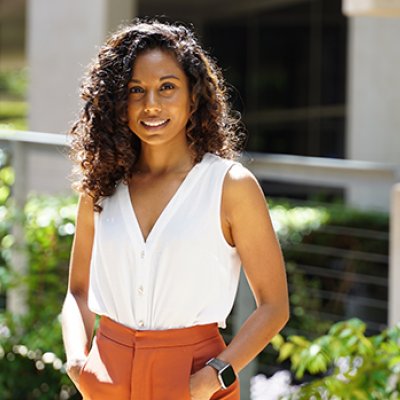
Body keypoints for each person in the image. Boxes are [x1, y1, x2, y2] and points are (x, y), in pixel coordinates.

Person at [61, 19, 289, 400]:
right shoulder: (101, 184)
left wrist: (214, 376)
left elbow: (274, 306)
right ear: (118, 101)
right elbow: (78, 292)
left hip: (193, 377)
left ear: (193, 96)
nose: (151, 105)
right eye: (137, 90)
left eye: (167, 87)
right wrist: (75, 362)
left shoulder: (230, 186)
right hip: (107, 374)